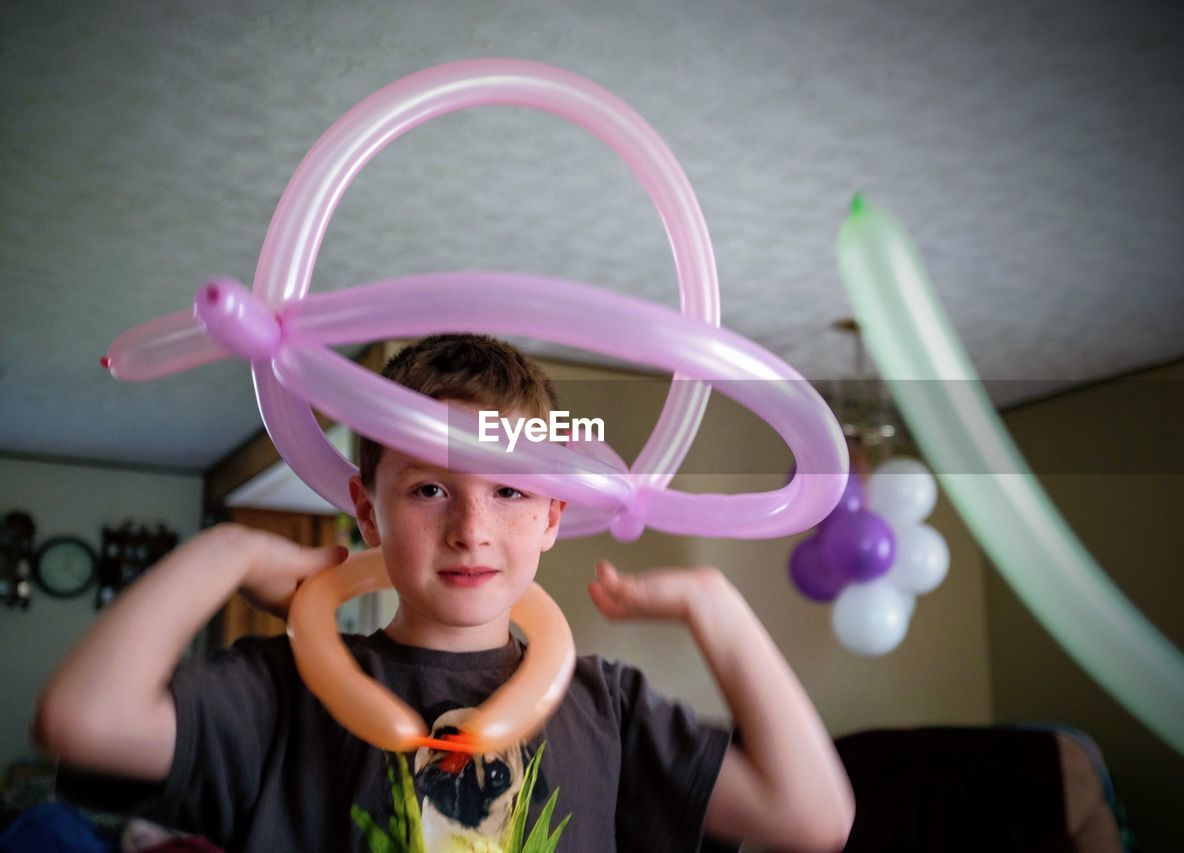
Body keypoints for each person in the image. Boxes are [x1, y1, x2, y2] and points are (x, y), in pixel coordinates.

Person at [35, 334, 854, 852]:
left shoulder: (608, 708)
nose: (471, 527)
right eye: (429, 490)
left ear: (552, 516)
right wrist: (228, 551)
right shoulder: (282, 690)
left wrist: (718, 606)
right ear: (368, 509)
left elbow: (813, 819)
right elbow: (84, 719)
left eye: (509, 492)